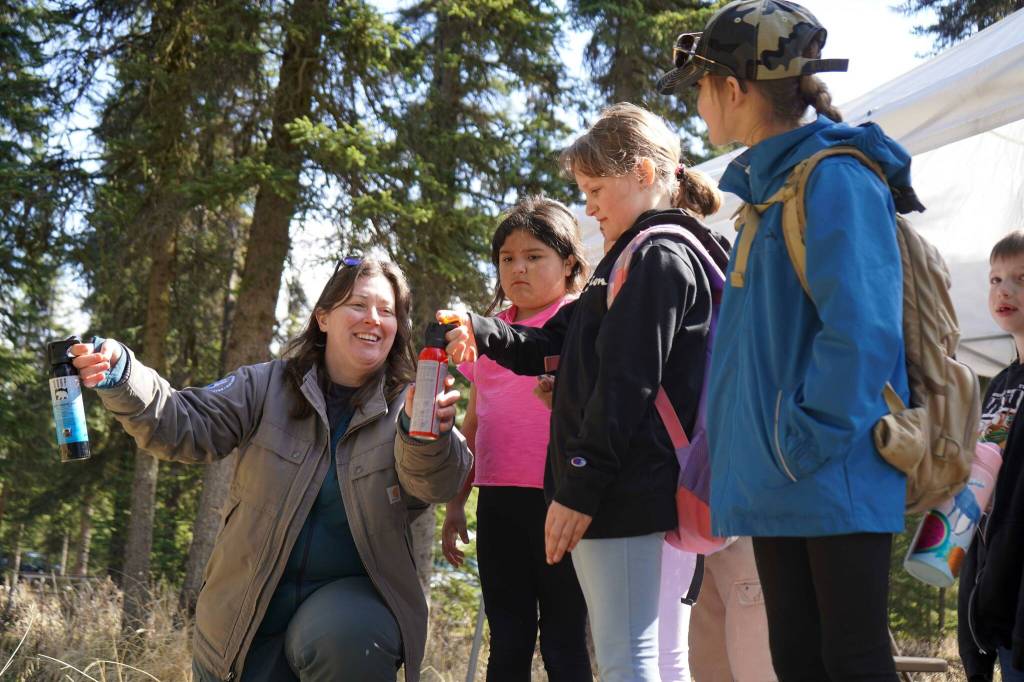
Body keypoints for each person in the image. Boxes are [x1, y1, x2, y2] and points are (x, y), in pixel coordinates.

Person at [656, 1, 917, 680]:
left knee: (851, 661)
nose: (700, 107)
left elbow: (863, 333)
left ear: (734, 89)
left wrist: (796, 443)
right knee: (798, 661)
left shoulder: (835, 177)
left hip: (827, 470)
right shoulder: (767, 192)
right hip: (783, 474)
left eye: (702, 88)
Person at [70, 258, 472, 682]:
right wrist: (122, 374)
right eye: (358, 304)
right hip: (247, 605)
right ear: (323, 318)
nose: (373, 318)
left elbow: (436, 484)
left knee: (345, 635)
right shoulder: (265, 386)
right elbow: (183, 424)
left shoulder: (411, 404)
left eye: (387, 311)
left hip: (350, 611)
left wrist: (425, 436)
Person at [441, 102, 720, 681]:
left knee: (627, 661)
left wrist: (580, 486)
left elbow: (626, 383)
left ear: (643, 175)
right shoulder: (628, 261)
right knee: (631, 657)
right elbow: (556, 342)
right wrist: (480, 328)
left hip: (622, 489)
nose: (587, 207)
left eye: (594, 189)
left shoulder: (657, 259)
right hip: (617, 487)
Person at [440, 196, 593, 681]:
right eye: (507, 258)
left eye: (534, 256)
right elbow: (474, 422)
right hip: (500, 503)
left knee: (565, 640)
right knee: (507, 638)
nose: (518, 268)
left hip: (563, 504)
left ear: (569, 262)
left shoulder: (582, 325)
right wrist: (454, 505)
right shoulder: (484, 334)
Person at [958, 230, 1024, 682]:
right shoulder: (999, 386)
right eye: (996, 278)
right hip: (994, 603)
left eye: (1022, 278)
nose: (1005, 290)